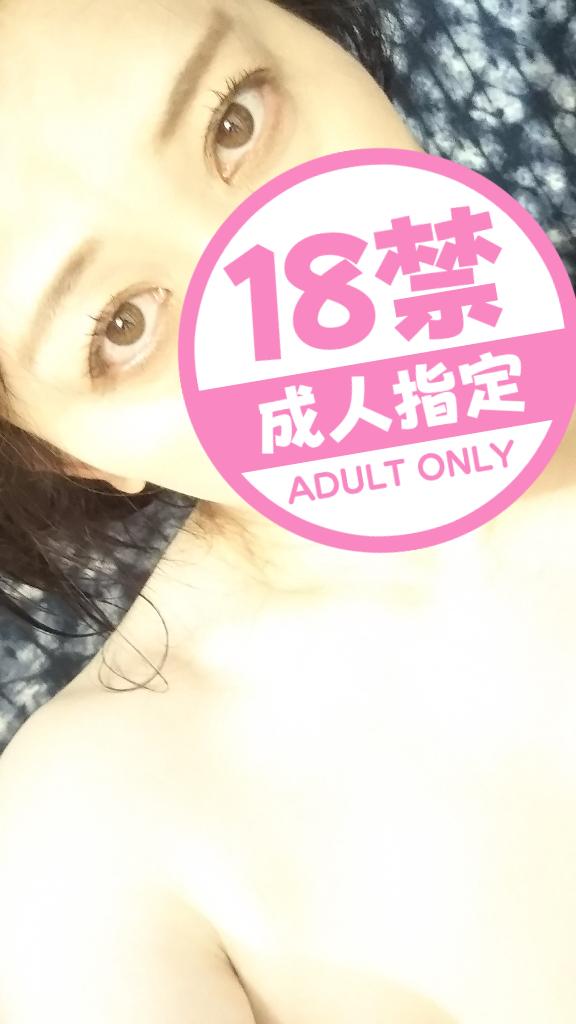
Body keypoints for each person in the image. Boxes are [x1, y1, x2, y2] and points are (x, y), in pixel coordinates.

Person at [0, 1, 575, 1021]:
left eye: (234, 120)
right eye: (122, 325)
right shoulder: (95, 842)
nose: (303, 295)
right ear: (67, 456)